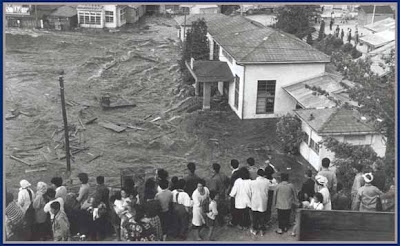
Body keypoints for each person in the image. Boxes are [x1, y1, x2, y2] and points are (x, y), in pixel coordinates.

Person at [249, 169, 269, 236]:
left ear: (257, 174)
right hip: (263, 200)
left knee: (255, 216)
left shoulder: (253, 182)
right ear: (264, 175)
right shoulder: (267, 181)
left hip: (254, 200)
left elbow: (250, 191)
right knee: (262, 216)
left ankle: (255, 229)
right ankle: (262, 230)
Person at [92, 176, 110, 240]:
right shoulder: (106, 188)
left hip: (99, 208)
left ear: (97, 181)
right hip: (106, 206)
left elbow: (97, 200)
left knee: (97, 222)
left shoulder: (98, 189)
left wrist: (92, 206)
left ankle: (98, 236)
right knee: (104, 222)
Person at [228, 159, 240, 227]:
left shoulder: (234, 175)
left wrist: (229, 194)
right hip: (240, 192)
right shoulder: (240, 172)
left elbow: (232, 185)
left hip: (235, 192)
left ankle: (234, 221)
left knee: (233, 207)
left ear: (231, 166)